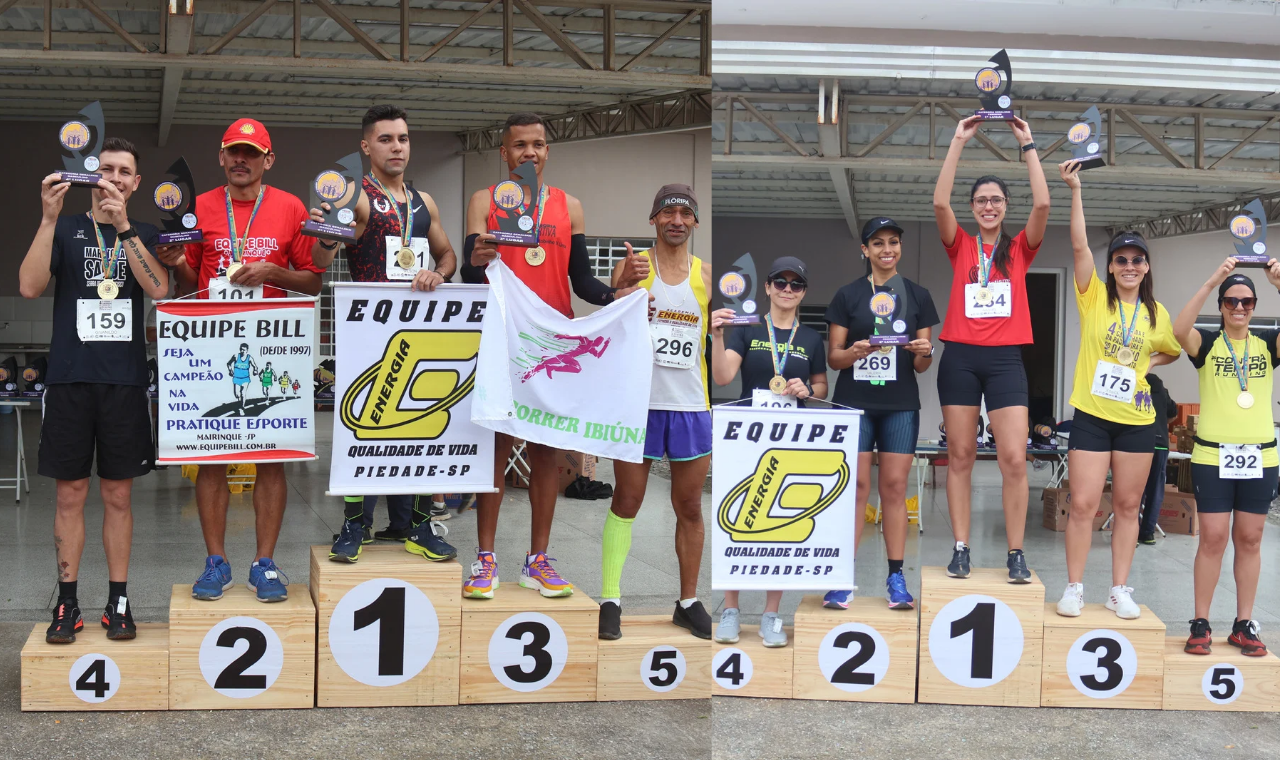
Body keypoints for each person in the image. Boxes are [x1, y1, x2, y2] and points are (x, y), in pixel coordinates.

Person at [459, 112, 646, 599]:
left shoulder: (569, 206)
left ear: (547, 151)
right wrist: (476, 260)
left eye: (538, 144)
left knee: (546, 449)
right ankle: (485, 559)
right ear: (504, 152)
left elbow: (580, 282)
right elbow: (470, 274)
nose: (530, 152)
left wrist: (617, 294)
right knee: (496, 450)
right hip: (503, 339)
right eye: (520, 145)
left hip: (554, 341)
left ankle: (537, 560)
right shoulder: (484, 200)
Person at [155, 118, 324, 603]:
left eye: (251, 152)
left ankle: (264, 563)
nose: (241, 160)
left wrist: (274, 272)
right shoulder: (201, 207)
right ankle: (216, 562)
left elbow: (313, 281)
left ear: (268, 160)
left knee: (272, 458)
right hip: (212, 343)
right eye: (233, 151)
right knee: (212, 457)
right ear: (221, 156)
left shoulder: (290, 207)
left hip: (273, 344)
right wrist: (178, 263)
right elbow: (190, 284)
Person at [20, 137, 168, 643]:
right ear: (90, 174)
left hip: (124, 381)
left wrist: (124, 228)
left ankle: (118, 600)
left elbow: (158, 289)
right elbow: (29, 287)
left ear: (136, 182)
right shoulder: (64, 229)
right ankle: (68, 601)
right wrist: (46, 219)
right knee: (70, 495)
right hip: (69, 379)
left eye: (125, 171)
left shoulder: (143, 232)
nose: (115, 178)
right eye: (107, 169)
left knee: (118, 496)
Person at [311, 104, 458, 564]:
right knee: (364, 429)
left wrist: (439, 274)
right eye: (386, 139)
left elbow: (448, 255)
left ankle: (416, 525)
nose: (397, 147)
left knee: (419, 427)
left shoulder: (424, 201)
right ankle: (356, 524)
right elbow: (319, 260)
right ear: (366, 146)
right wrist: (327, 234)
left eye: (403, 138)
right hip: (369, 334)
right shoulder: (357, 197)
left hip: (417, 331)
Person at [1056, 160, 1181, 619]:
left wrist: (1149, 362)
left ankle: (1119, 590)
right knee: (1084, 504)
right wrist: (1075, 190)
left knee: (1128, 506)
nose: (1129, 266)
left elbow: (1171, 349)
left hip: (1137, 422)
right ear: (1110, 266)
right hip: (1092, 417)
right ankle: (1074, 587)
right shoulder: (1093, 296)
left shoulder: (1157, 313)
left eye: (1137, 260)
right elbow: (1078, 244)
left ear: (1147, 267)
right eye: (1121, 260)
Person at [932, 114, 1050, 582]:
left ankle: (1016, 552)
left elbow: (1043, 202)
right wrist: (958, 141)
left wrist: (1028, 144)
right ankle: (961, 547)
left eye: (996, 200)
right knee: (960, 456)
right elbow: (939, 201)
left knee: (1014, 458)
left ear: (1004, 207)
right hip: (960, 357)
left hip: (1005, 359)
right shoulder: (960, 245)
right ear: (973, 207)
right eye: (981, 200)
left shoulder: (1019, 249)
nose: (988, 206)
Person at [597, 185, 712, 640]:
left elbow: (717, 340)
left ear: (695, 222)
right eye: (668, 213)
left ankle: (688, 602)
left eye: (685, 213)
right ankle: (610, 599)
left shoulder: (706, 275)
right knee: (627, 500)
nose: (676, 221)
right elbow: (608, 325)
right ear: (653, 219)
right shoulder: (633, 266)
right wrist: (623, 288)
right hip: (637, 402)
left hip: (690, 405)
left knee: (689, 506)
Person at [709, 256, 827, 647]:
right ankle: (730, 609)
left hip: (790, 437)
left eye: (796, 284)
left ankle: (771, 613)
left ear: (804, 292)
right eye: (781, 282)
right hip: (747, 436)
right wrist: (718, 336)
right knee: (738, 519)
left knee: (780, 522)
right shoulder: (747, 328)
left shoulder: (811, 338)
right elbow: (723, 376)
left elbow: (821, 387)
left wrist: (807, 391)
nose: (787, 290)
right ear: (768, 287)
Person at [822, 217, 938, 611]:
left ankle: (896, 576)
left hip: (900, 405)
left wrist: (926, 352)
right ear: (865, 250)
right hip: (854, 403)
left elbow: (921, 365)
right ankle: (842, 575)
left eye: (893, 242)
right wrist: (853, 352)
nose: (887, 249)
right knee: (854, 488)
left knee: (894, 488)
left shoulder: (918, 295)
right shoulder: (848, 295)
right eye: (878, 243)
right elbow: (834, 359)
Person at [1172, 260, 1280, 655]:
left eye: (1247, 301)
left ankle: (1243, 624)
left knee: (1250, 539)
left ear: (1254, 306)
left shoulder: (1267, 343)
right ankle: (1200, 622)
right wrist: (1211, 281)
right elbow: (1178, 330)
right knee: (1214, 538)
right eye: (1231, 300)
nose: (1239, 307)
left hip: (1260, 458)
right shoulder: (1207, 343)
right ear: (1220, 305)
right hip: (1213, 457)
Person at [1138, 373, 1176, 545]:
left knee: (1134, 489)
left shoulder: (1133, 384)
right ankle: (1147, 533)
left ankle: (1129, 532)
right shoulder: (1161, 388)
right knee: (1155, 490)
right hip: (1160, 444)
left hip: (1137, 443)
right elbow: (1173, 414)